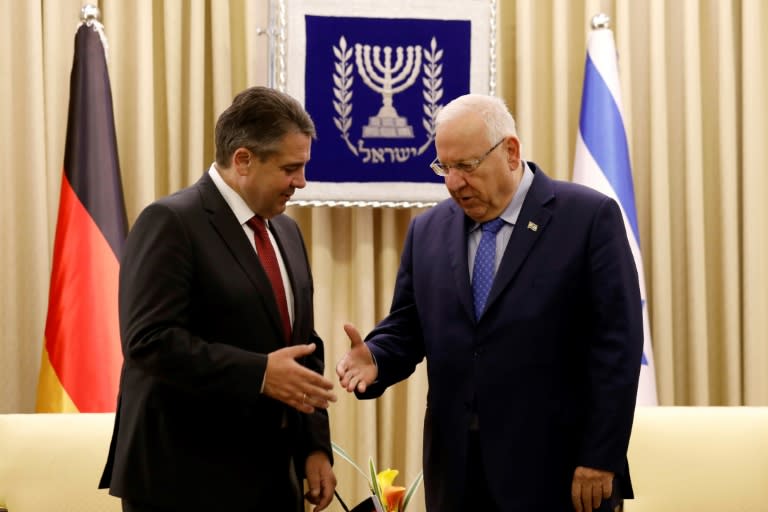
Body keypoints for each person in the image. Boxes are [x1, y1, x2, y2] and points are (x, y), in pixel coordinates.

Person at [336, 93, 643, 512]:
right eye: (444, 167)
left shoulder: (588, 219)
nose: (452, 182)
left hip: (560, 473)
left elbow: (619, 346)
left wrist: (600, 456)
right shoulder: (427, 231)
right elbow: (408, 326)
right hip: (459, 474)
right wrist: (376, 357)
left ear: (511, 152)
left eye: (466, 166)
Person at [100, 86, 338, 512]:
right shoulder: (171, 222)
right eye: (290, 168)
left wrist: (314, 447)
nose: (301, 182)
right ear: (243, 160)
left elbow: (302, 346)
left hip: (272, 477)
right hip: (184, 480)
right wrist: (259, 373)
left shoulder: (285, 231)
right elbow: (148, 341)